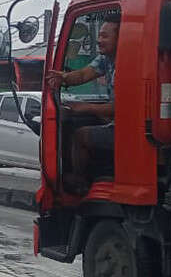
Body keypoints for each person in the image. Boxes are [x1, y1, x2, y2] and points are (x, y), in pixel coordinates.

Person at [45, 17, 120, 193]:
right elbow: (83, 75)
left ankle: (80, 182)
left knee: (80, 136)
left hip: (128, 130)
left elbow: (119, 108)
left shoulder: (128, 63)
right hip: (119, 123)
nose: (99, 40)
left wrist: (86, 107)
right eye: (99, 36)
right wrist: (63, 77)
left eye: (104, 36)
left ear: (121, 37)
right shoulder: (105, 59)